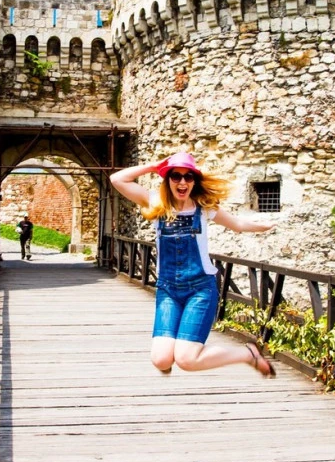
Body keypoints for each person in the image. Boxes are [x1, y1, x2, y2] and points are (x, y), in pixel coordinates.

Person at [110, 151, 277, 378]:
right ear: (168, 180)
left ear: (194, 181)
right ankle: (182, 352)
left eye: (188, 177)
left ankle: (247, 354)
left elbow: (237, 224)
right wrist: (154, 166)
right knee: (161, 360)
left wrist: (265, 226)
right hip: (168, 290)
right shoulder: (156, 203)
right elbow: (117, 179)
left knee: (187, 360)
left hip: (200, 290)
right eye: (176, 176)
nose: (182, 182)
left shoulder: (204, 208)